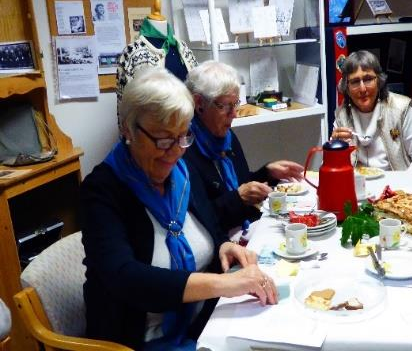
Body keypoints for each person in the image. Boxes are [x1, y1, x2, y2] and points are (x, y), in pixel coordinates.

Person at [80, 68, 277, 350]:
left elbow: (210, 224)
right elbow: (126, 278)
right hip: (140, 340)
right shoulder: (102, 191)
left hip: (202, 324)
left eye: (183, 137)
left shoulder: (180, 171)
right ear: (128, 130)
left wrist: (223, 246)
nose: (174, 151)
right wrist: (224, 285)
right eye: (162, 140)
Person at [184, 61, 304, 232]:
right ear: (199, 103)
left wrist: (268, 173)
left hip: (244, 228)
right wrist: (238, 198)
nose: (234, 114)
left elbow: (241, 183)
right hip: (219, 242)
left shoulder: (226, 137)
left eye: (236, 104)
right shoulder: (185, 149)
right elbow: (200, 220)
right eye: (225, 106)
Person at [331, 50, 412, 171]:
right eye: (355, 82)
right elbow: (332, 165)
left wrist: (407, 180)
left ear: (378, 81)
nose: (362, 89)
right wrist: (333, 147)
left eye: (368, 79)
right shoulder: (342, 115)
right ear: (347, 87)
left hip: (395, 184)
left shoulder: (400, 109)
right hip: (357, 184)